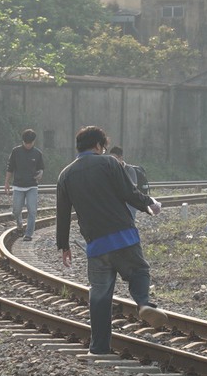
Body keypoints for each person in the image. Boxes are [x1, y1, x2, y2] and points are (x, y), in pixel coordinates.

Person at [55, 125, 168, 356]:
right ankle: (144, 303)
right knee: (139, 271)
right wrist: (150, 204)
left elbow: (63, 214)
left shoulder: (65, 175)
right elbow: (129, 192)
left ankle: (98, 348)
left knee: (99, 296)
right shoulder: (109, 163)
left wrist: (64, 245)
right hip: (123, 237)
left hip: (96, 245)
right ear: (98, 145)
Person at [4, 129, 44, 241]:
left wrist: (40, 173)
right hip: (18, 186)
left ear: (33, 142)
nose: (28, 145)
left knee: (32, 210)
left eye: (30, 143)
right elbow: (10, 168)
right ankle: (20, 225)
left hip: (32, 186)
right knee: (16, 210)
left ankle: (28, 234)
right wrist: (7, 182)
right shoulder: (16, 152)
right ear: (23, 141)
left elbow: (41, 168)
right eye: (26, 143)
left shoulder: (37, 153)